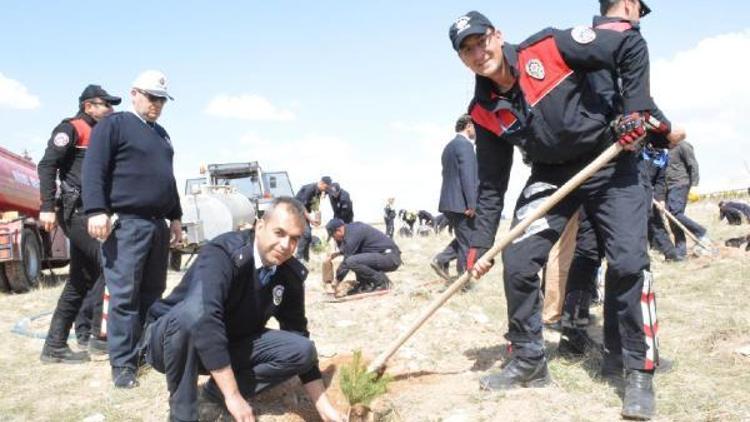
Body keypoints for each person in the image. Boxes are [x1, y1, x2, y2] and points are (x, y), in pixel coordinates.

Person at [449, 7, 681, 418]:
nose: (477, 52)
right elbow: (490, 186)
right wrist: (479, 244)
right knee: (517, 260)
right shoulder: (484, 110)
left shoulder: (552, 47)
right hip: (551, 177)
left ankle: (638, 371)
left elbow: (629, 43)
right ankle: (528, 360)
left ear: (497, 36)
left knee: (628, 262)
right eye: (466, 49)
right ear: (462, 60)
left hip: (610, 160)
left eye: (481, 40)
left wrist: (635, 110)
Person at [144, 197, 344, 422]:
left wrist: (323, 406)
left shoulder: (289, 274)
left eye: (294, 239)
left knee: (303, 350)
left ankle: (212, 397)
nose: (286, 245)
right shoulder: (223, 253)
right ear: (260, 227)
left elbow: (297, 331)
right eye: (279, 233)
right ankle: (183, 414)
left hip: (225, 345)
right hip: (171, 342)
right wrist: (234, 396)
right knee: (191, 314)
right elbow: (204, 317)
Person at [83, 70, 182, 388]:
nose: (157, 104)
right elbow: (94, 167)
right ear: (134, 93)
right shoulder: (115, 125)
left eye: (162, 100)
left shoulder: (162, 135)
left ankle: (143, 353)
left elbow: (168, 178)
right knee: (125, 296)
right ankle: (122, 366)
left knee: (153, 294)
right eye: (152, 97)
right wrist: (96, 209)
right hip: (127, 224)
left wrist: (176, 217)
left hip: (157, 226)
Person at [37, 84, 121, 363]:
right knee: (111, 265)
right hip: (77, 211)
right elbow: (47, 165)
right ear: (88, 106)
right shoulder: (71, 128)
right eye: (104, 104)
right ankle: (100, 338)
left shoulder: (102, 131)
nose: (110, 109)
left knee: (80, 280)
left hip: (94, 211)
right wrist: (47, 207)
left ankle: (54, 346)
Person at [431, 114, 478, 281]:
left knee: (463, 238)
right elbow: (468, 176)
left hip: (449, 202)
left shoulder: (449, 146)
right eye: (476, 126)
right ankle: (463, 281)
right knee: (468, 242)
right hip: (462, 204)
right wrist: (472, 203)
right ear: (469, 125)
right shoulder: (465, 146)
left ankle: (442, 260)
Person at [326, 218, 401, 295]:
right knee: (355, 258)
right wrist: (338, 253)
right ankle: (365, 285)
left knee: (351, 261)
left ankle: (382, 282)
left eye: (333, 236)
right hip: (385, 256)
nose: (334, 239)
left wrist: (336, 281)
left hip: (390, 257)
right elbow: (354, 249)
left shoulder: (353, 233)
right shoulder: (351, 230)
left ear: (339, 230)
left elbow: (346, 260)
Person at [666, 140, 709, 258]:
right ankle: (680, 252)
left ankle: (700, 231)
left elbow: (693, 164)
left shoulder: (682, 145)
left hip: (680, 184)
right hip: (668, 187)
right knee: (672, 219)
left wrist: (694, 186)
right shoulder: (664, 147)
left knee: (675, 213)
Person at [294, 176, 331, 262]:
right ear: (321, 183)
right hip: (296, 211)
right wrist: (311, 220)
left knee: (308, 235)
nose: (325, 191)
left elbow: (316, 207)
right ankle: (299, 257)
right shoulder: (310, 189)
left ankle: (306, 259)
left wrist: (318, 219)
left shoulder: (318, 192)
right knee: (306, 234)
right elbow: (301, 207)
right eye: (325, 188)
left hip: (303, 213)